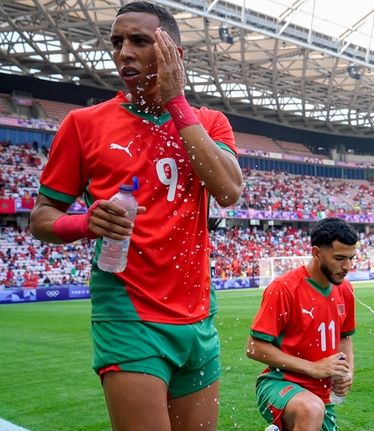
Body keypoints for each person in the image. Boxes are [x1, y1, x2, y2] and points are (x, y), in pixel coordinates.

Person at [30, 2, 243, 430]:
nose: (123, 52)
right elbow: (42, 217)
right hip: (128, 314)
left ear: (173, 55)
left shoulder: (209, 122)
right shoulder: (83, 124)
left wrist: (176, 102)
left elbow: (229, 191)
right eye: (117, 42)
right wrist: (85, 222)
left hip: (198, 316)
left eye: (140, 41)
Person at [247, 218, 359, 431]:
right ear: (317, 253)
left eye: (351, 258)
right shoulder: (284, 288)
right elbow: (254, 347)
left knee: (314, 409)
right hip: (279, 383)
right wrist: (314, 368)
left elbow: (344, 337)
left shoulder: (345, 290)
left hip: (322, 395)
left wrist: (348, 371)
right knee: (311, 410)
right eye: (339, 258)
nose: (347, 267)